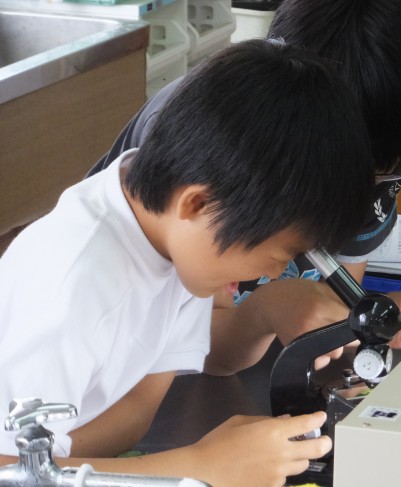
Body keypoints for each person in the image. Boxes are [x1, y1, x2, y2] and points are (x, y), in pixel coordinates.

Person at [0, 39, 376, 487]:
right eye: (276, 256)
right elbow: (13, 473)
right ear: (198, 204)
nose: (274, 273)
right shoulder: (72, 288)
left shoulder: (180, 243)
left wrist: (200, 463)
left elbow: (139, 408)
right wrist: (197, 466)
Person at [87, 0, 401, 375]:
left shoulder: (381, 153)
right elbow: (186, 348)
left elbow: (332, 297)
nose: (358, 192)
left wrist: (373, 321)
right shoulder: (209, 140)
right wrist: (265, 312)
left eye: (378, 173)